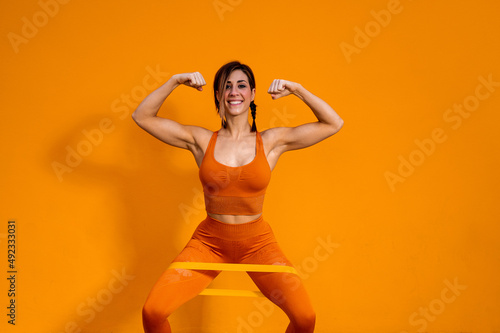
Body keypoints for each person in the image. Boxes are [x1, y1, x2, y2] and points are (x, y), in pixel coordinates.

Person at [132, 60, 343, 333]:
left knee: (305, 318)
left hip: (258, 243)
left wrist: (297, 89)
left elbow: (333, 123)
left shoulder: (271, 142)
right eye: (226, 86)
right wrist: (175, 80)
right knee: (153, 311)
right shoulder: (200, 140)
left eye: (241, 85)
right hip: (209, 243)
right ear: (218, 95)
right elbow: (142, 117)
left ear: (252, 94)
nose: (234, 91)